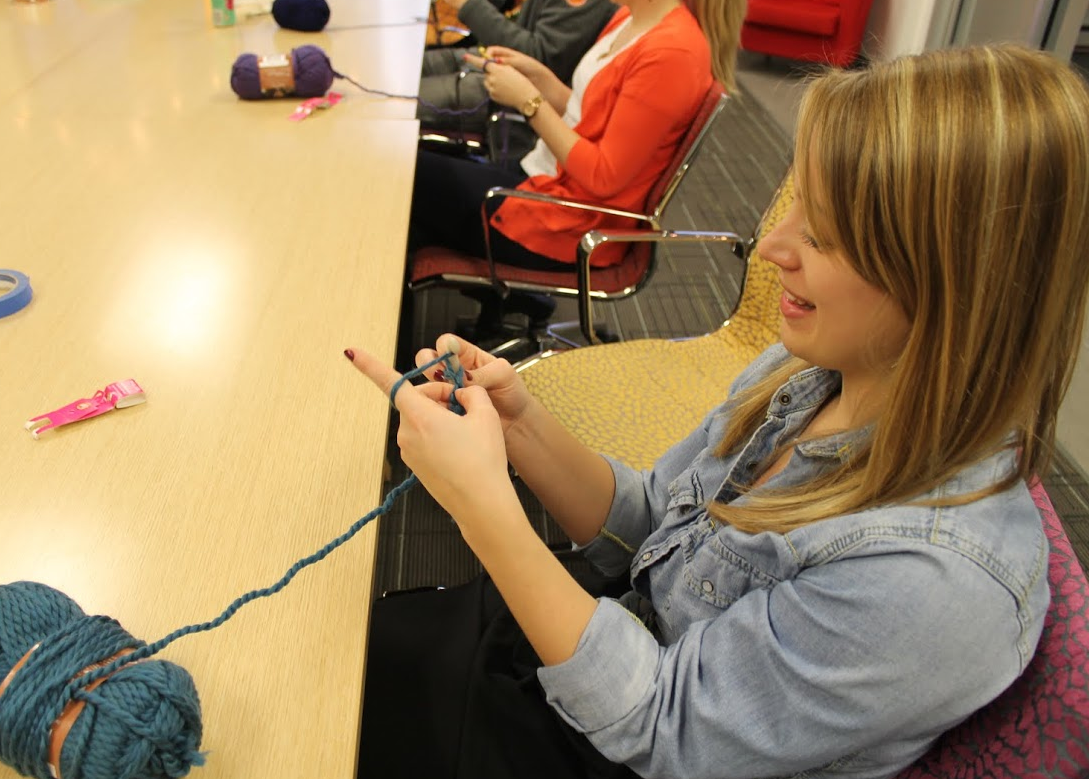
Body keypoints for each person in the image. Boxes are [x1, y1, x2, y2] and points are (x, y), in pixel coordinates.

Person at [348, 43, 1089, 778]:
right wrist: (519, 426)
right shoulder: (810, 372)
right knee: (342, 651)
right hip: (608, 647)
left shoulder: (933, 584)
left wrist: (482, 507)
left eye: (824, 234)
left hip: (622, 737)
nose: (769, 246)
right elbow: (651, 523)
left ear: (953, 285)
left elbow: (659, 729)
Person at [408, 0, 747, 339]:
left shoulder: (673, 52)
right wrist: (541, 81)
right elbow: (593, 114)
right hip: (543, 180)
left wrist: (529, 101)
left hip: (570, 221)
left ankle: (395, 342)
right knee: (407, 181)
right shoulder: (630, 18)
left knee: (403, 183)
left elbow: (603, 175)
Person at [420, 0, 618, 135]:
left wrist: (468, 4)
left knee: (398, 101)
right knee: (404, 71)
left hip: (511, 95)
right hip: (494, 60)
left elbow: (538, 59)